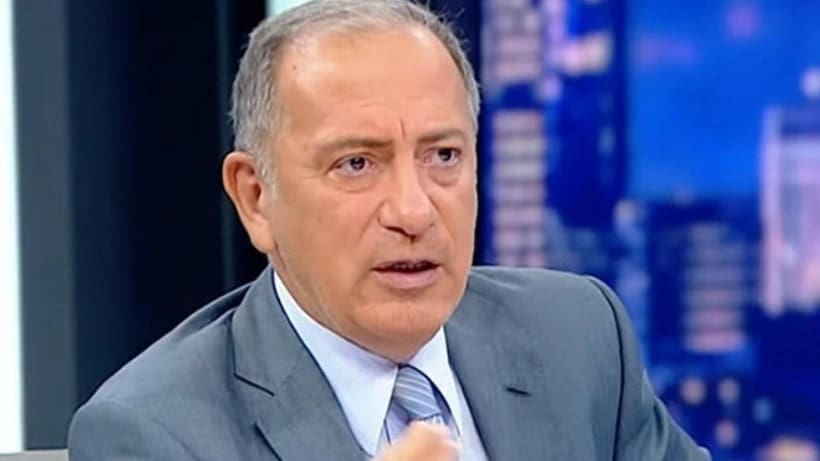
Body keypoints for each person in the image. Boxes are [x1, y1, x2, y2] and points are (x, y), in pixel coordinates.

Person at [67, 0, 710, 459]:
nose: (413, 210)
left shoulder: (579, 337)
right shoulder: (154, 434)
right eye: (357, 163)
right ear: (256, 198)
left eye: (443, 156)